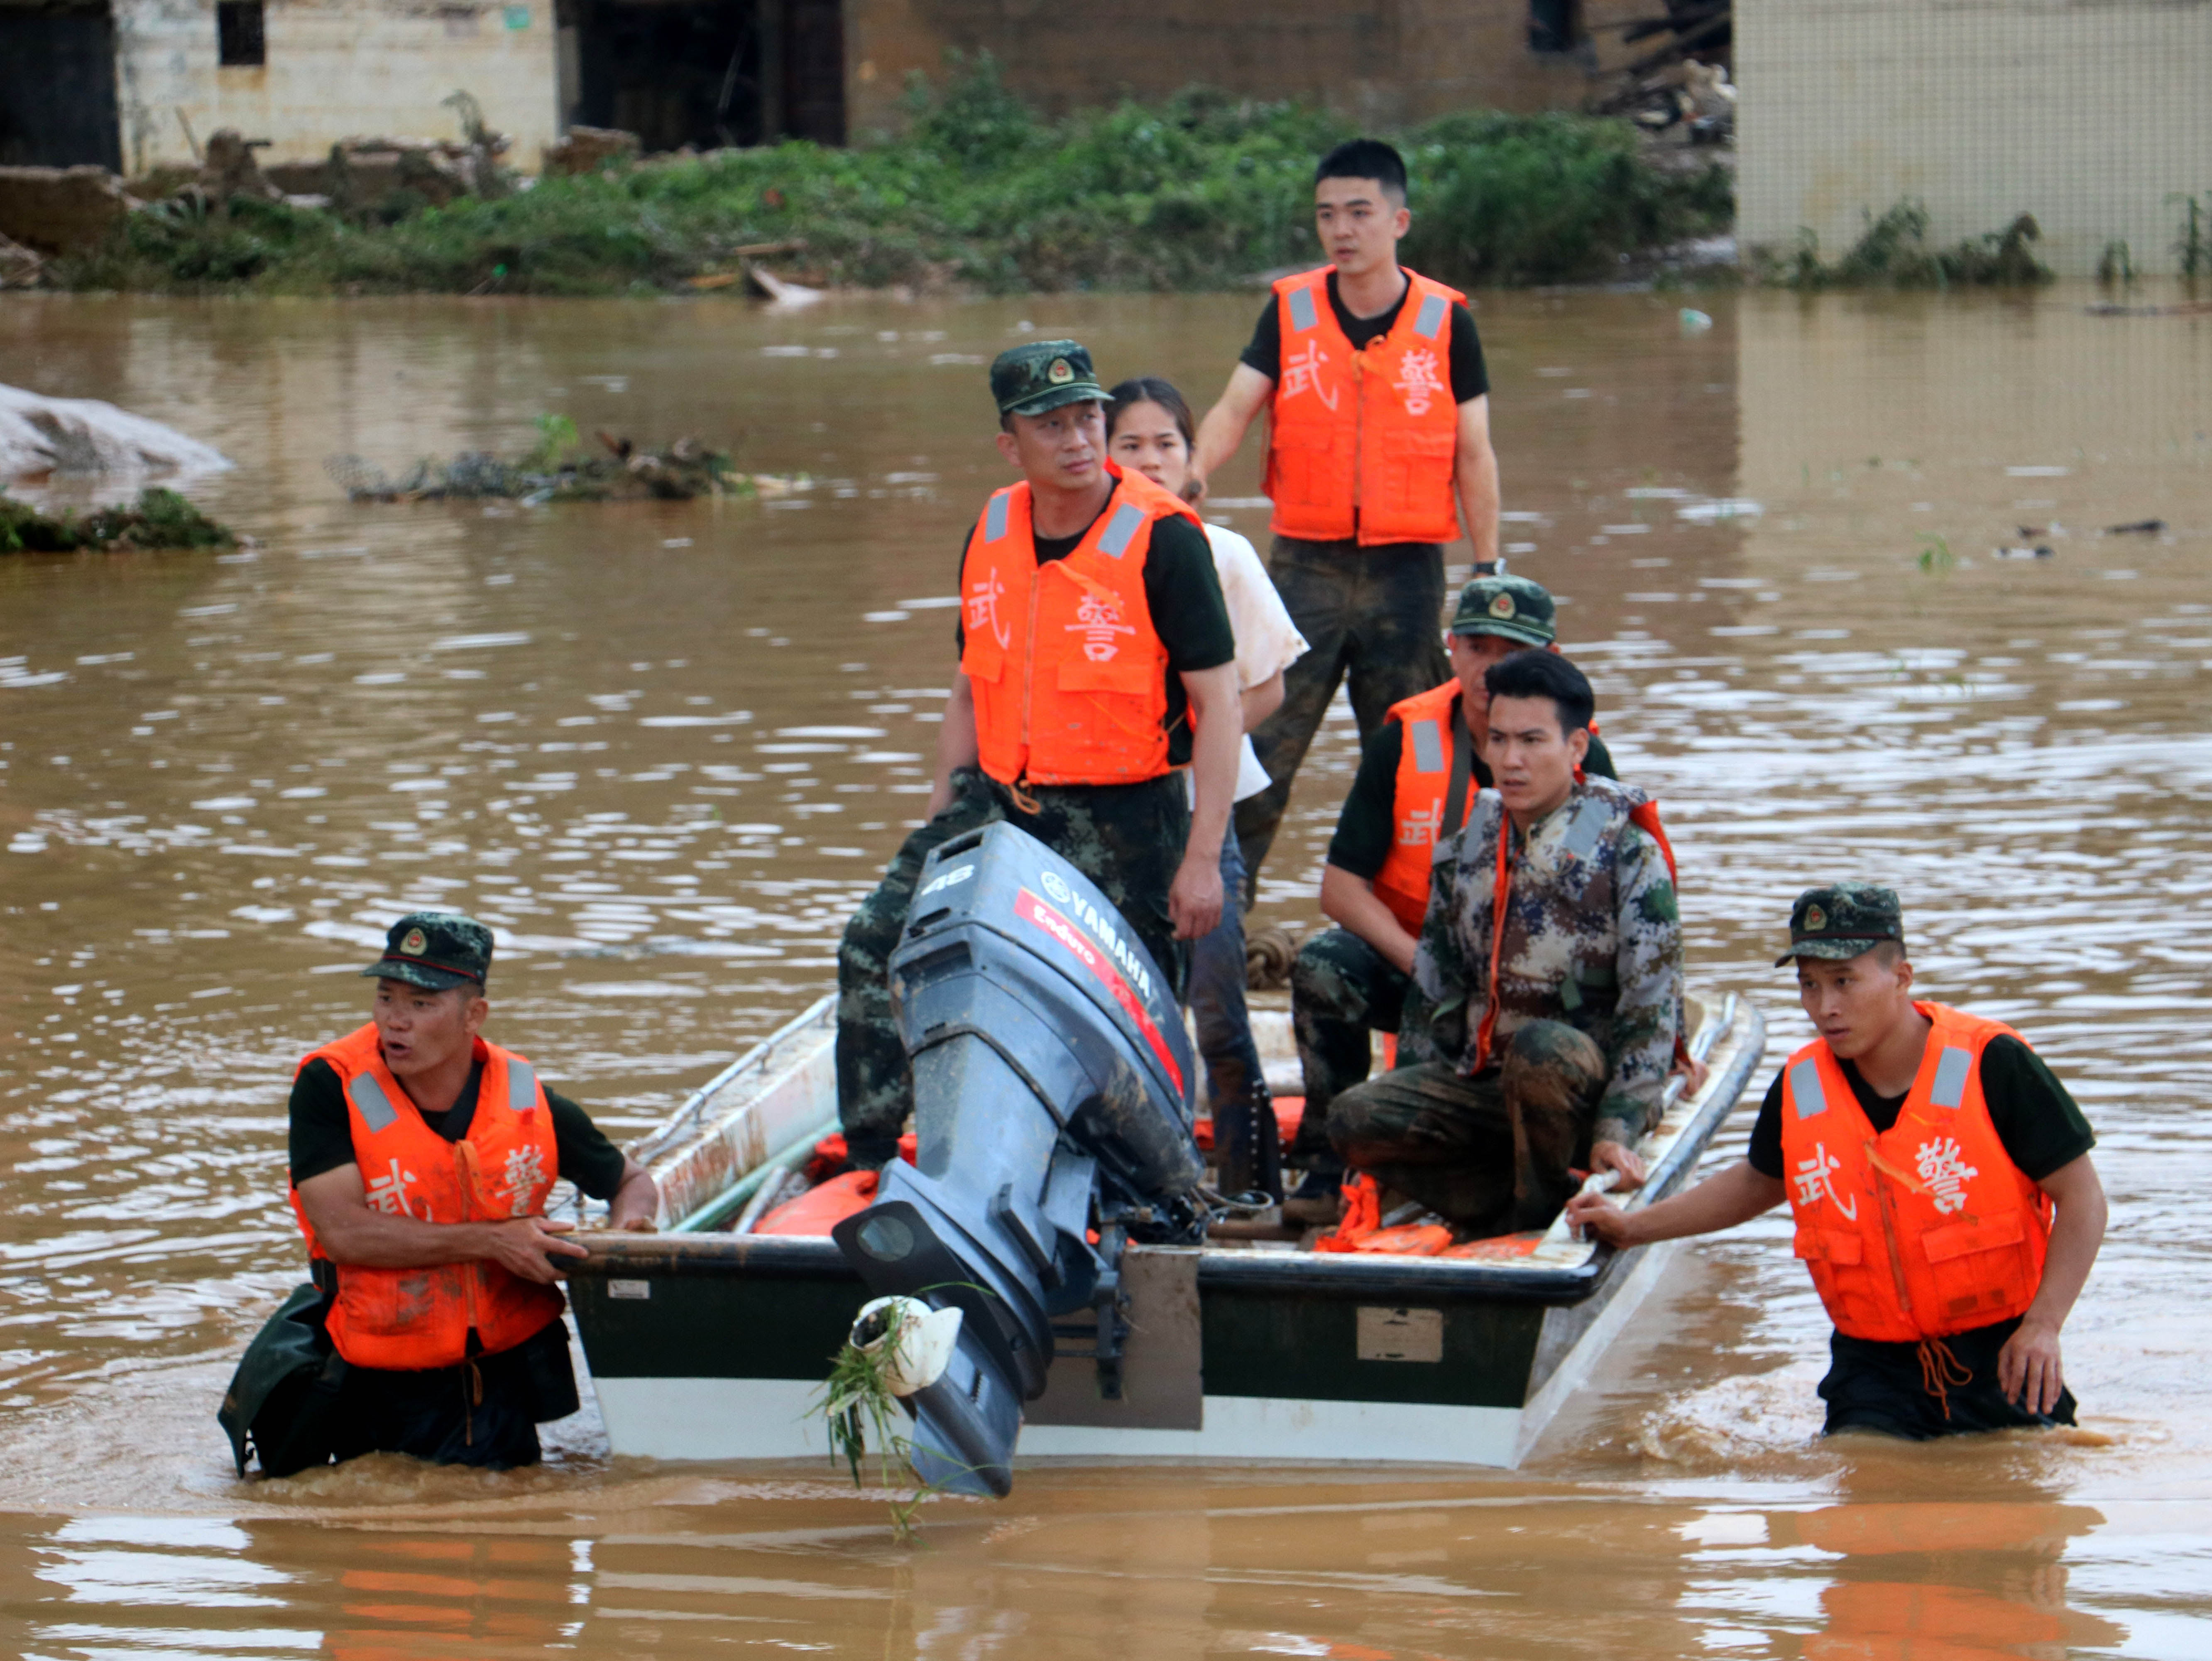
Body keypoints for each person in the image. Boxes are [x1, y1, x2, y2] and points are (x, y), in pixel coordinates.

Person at [835, 342, 1243, 1169]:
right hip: (1001, 801)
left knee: (1135, 1008)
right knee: (875, 941)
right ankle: (874, 1155)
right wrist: (942, 813)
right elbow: (967, 687)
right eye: (1051, 425)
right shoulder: (991, 528)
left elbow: (1221, 704)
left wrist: (1204, 858)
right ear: (1009, 443)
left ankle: (1151, 1185)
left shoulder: (1166, 540)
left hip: (1128, 817)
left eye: (1089, 417)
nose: (1079, 439)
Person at [1569, 884, 2106, 1440]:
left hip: (2007, 1359)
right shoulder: (1803, 1085)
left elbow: (2084, 1198)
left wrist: (2044, 1326)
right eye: (1809, 984)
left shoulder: (1994, 1063)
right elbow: (1757, 1182)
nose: (1825, 1007)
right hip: (1873, 1370)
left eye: (1845, 982)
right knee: (1856, 1498)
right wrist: (1631, 1229)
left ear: (1901, 978)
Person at [1193, 136, 1502, 895]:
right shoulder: (1290, 309)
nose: (1343, 229)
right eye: (1328, 214)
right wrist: (1187, 483)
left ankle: (1425, 926)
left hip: (1408, 575)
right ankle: (1218, 920)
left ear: (1400, 221)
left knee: (1413, 761)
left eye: (1360, 212)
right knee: (1257, 752)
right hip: (1305, 567)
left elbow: (1475, 451)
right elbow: (1236, 409)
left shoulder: (1446, 321)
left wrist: (1488, 570)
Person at [1285, 574, 1620, 1210]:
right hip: (1417, 957)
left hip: (1530, 982)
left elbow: (1604, 910)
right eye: (1478, 647)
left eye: (1511, 652)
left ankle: (1538, 1171)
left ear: (1548, 658)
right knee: (1324, 966)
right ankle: (1331, 1165)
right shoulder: (1403, 743)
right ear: (1451, 649)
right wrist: (1420, 961)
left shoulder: (1582, 756)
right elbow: (1340, 888)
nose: (1491, 668)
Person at [278, 913, 657, 1470]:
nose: (396, 1022)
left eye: (422, 1004)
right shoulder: (330, 1088)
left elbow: (632, 1182)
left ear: (473, 1016)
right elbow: (343, 1234)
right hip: (377, 1382)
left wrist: (625, 1242)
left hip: (505, 1381)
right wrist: (495, 1241)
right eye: (386, 998)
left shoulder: (526, 1096)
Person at [1324, 651, 1679, 1235]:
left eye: (1533, 741)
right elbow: (1434, 993)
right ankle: (1506, 1201)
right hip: (1487, 1087)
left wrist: (1617, 1130)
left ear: (1576, 750)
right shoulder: (1471, 846)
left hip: (1578, 1092)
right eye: (1498, 740)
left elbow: (1651, 1014)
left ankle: (1538, 1212)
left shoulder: (1628, 854)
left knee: (1541, 1051)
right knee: (1355, 1120)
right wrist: (1406, 1094)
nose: (1510, 761)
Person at [1105, 374, 1311, 1198]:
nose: (1150, 459)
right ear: (1102, 456)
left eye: (1167, 443)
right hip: (1109, 814)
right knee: (1121, 1009)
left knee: (1219, 1007)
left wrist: (1181, 741)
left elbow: (1266, 686)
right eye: (1132, 444)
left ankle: (1249, 1185)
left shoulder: (1220, 551)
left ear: (1196, 461)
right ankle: (1139, 1188)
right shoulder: (1088, 556)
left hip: (1200, 808)